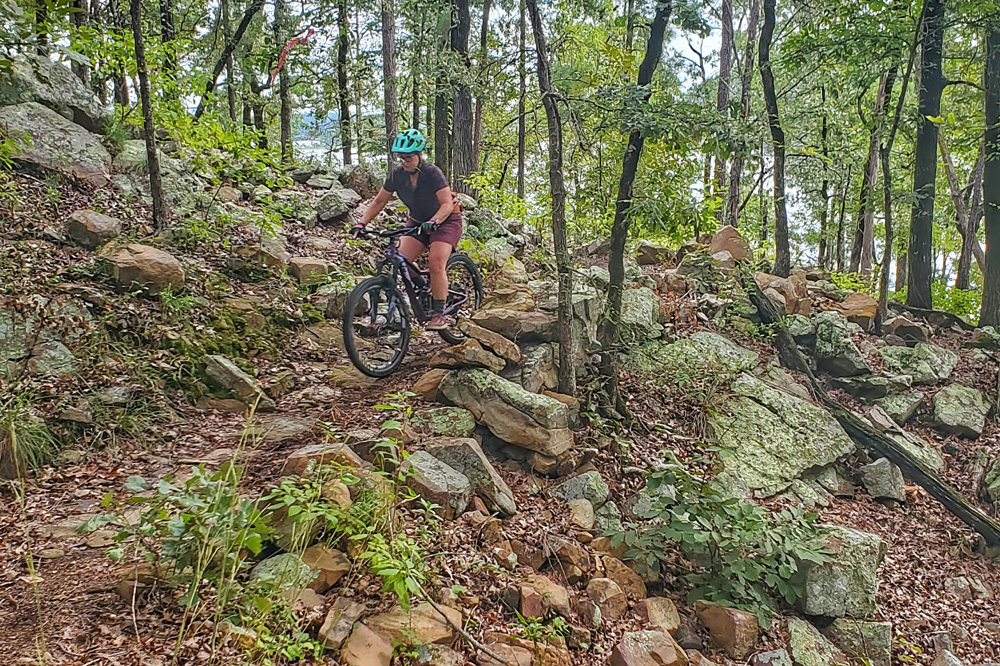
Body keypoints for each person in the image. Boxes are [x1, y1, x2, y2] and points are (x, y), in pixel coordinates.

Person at [351, 129, 462, 331]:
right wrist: (362, 223)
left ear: (419, 155)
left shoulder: (432, 173)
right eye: (402, 158)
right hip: (419, 222)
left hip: (446, 221)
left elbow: (446, 204)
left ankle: (439, 313)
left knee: (436, 262)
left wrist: (435, 220)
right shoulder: (397, 176)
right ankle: (423, 288)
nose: (405, 161)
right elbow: (379, 201)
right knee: (400, 257)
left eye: (409, 157)